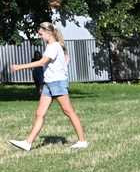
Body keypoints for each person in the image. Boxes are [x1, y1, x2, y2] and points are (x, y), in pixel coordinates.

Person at [7, 22, 89, 151]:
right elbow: (65, 59)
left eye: (41, 34)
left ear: (48, 33)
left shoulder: (53, 46)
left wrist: (19, 67)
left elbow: (42, 62)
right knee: (39, 113)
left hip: (57, 83)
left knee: (69, 111)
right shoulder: (55, 46)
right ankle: (27, 143)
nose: (40, 37)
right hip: (49, 83)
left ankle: (82, 141)